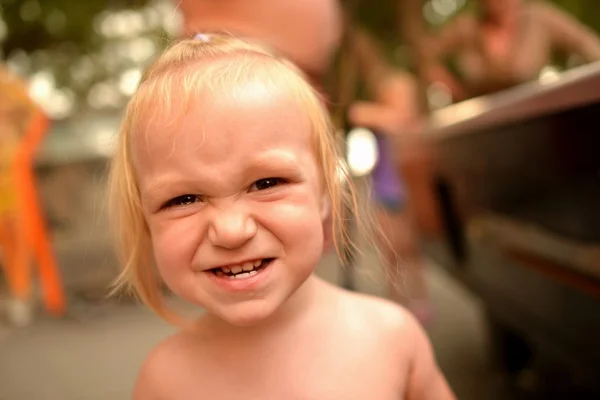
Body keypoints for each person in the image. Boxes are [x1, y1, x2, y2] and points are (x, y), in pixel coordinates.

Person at [108, 34, 455, 399]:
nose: (231, 230)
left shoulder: (392, 339)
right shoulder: (164, 382)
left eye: (266, 182)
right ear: (144, 219)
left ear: (325, 191)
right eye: (184, 199)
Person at [172, 0, 432, 322]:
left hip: (394, 173)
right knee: (387, 239)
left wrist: (359, 113)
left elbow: (402, 121)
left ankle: (414, 297)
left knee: (402, 243)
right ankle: (402, 296)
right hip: (379, 176)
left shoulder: (395, 85)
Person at [421, 0, 600, 101]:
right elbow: (426, 57)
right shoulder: (467, 27)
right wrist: (449, 86)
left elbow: (588, 44)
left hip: (536, 112)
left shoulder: (539, 18)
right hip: (482, 124)